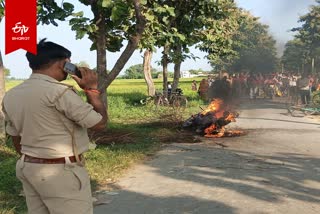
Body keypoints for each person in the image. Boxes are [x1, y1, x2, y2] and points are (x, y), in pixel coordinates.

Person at [2, 39, 107, 214]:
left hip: (28, 167)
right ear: (63, 63)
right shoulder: (60, 92)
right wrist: (92, 91)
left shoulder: (12, 95)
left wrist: (35, 158)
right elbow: (100, 124)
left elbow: (15, 136)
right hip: (60, 172)